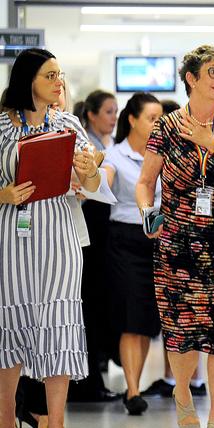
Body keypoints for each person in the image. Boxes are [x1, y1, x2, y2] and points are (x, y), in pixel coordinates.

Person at [136, 44, 214, 428]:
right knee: (182, 331)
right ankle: (183, 391)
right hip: (178, 244)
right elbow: (145, 182)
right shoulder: (166, 127)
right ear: (191, 78)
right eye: (212, 72)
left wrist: (212, 143)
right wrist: (146, 211)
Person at [0, 48, 100, 428]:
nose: (58, 82)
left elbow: (91, 186)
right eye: (50, 75)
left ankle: (56, 424)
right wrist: (2, 194)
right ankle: (6, 418)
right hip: (12, 232)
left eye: (60, 74)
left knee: (58, 318)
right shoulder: (2, 126)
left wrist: (89, 170)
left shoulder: (69, 123)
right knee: (12, 321)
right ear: (28, 80)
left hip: (59, 232)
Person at [141, 98, 207, 400]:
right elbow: (146, 183)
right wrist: (150, 215)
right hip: (173, 238)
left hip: (211, 241)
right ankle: (179, 383)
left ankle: (194, 381)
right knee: (178, 315)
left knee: (202, 316)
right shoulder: (164, 137)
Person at [103, 93, 163, 415]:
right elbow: (106, 179)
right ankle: (133, 390)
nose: (157, 124)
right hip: (124, 240)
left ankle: (134, 385)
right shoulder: (115, 154)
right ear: (133, 120)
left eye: (160, 118)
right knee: (129, 317)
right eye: (152, 118)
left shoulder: (163, 155)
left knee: (144, 320)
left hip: (155, 240)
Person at [67, 89, 120, 403]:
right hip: (87, 238)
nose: (113, 118)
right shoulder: (86, 149)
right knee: (87, 305)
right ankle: (85, 380)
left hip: (101, 238)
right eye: (108, 111)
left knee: (97, 306)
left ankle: (92, 376)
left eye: (116, 111)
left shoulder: (105, 147)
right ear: (91, 115)